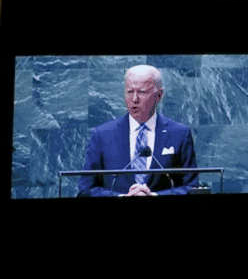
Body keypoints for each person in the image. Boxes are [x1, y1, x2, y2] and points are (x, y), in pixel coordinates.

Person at [78, 65, 198, 197]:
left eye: (142, 92)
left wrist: (154, 196)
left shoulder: (179, 134)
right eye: (130, 92)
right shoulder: (102, 135)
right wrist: (122, 197)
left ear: (159, 95)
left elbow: (192, 188)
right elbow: (86, 190)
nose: (134, 99)